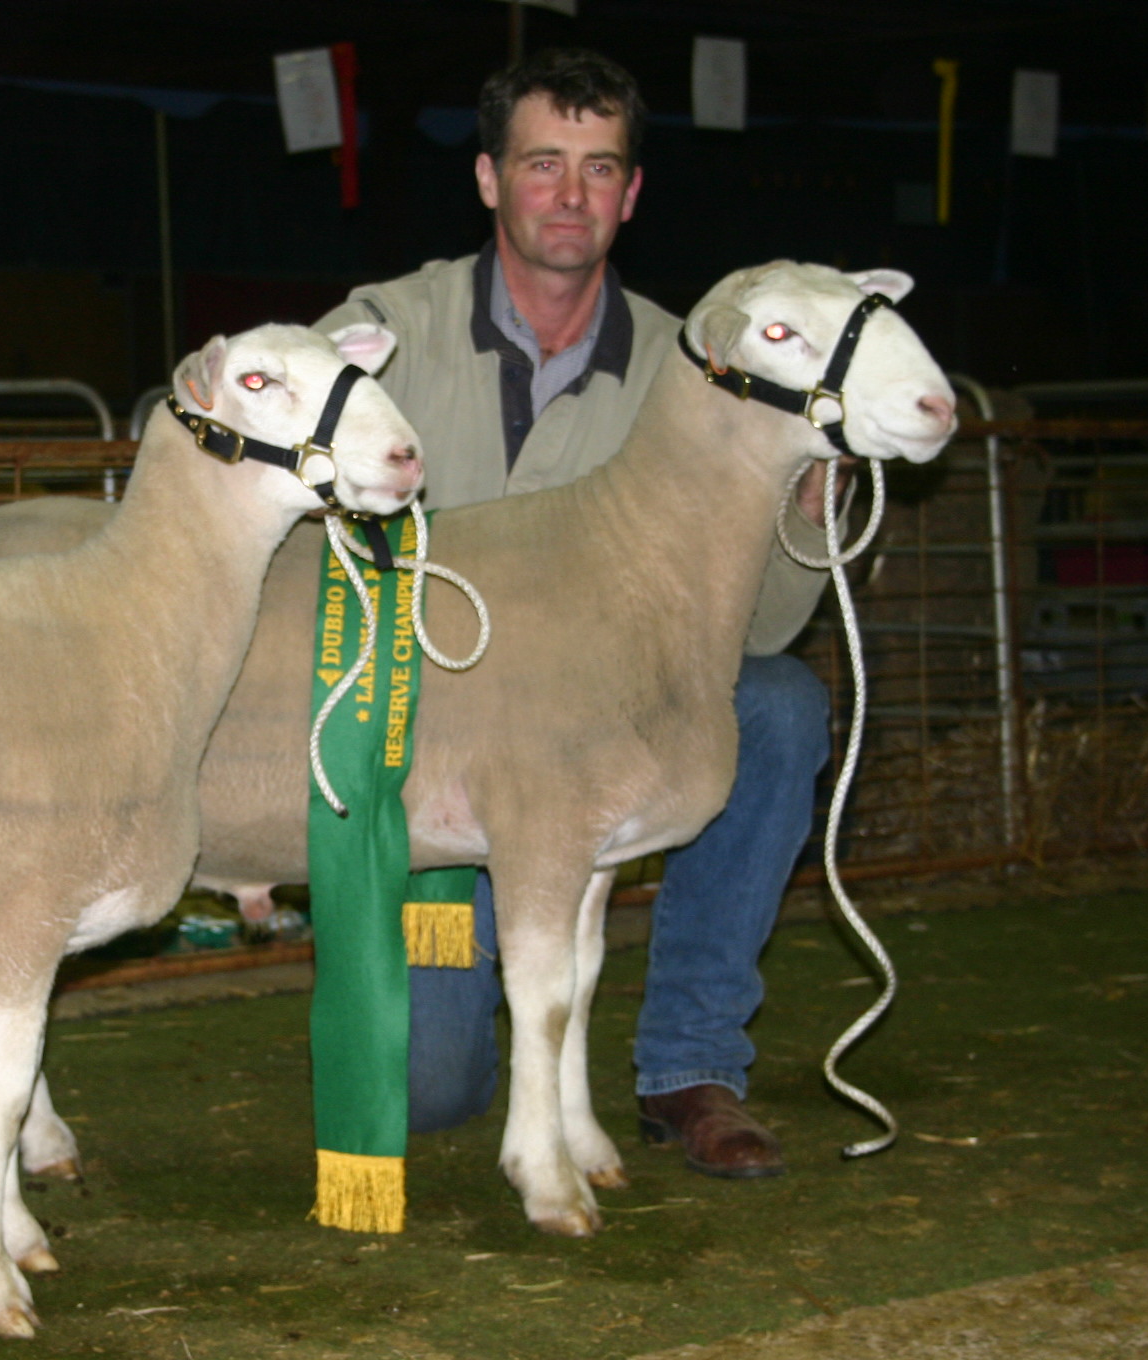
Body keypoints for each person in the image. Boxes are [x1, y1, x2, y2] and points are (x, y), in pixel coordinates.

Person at [316, 48, 846, 1179]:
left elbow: (746, 635)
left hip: (596, 740)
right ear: (487, 181)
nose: (569, 194)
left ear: (630, 195)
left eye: (598, 169)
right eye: (542, 163)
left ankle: (689, 1062)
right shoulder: (382, 335)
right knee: (430, 1092)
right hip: (434, 764)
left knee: (779, 706)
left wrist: (802, 510)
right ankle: (468, 956)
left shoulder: (692, 364)